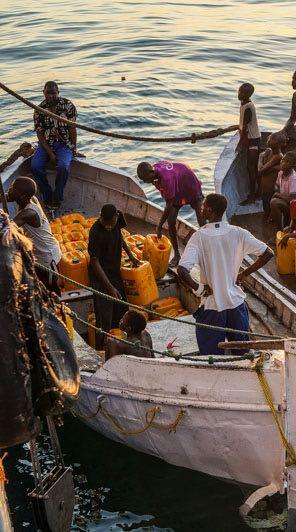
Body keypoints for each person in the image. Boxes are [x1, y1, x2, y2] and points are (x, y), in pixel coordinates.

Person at [177, 193, 275, 356]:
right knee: (242, 353)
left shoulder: (199, 237)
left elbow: (182, 270)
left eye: (203, 207)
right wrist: (244, 274)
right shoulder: (238, 232)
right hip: (236, 303)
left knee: (211, 355)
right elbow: (268, 253)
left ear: (210, 210)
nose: (200, 209)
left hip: (213, 306)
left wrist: (199, 288)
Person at [136, 160, 206, 266]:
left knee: (202, 220)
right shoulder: (155, 171)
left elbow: (169, 205)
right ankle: (177, 255)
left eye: (145, 179)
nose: (145, 182)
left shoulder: (166, 179)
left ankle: (207, 250)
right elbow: (168, 197)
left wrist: (159, 226)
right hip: (177, 189)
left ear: (151, 172)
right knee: (171, 221)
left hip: (190, 185)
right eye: (142, 180)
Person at [88, 204, 139, 347]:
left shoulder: (118, 218)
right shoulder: (95, 232)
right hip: (100, 278)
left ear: (117, 217)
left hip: (115, 272)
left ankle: (123, 345)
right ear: (100, 218)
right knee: (104, 318)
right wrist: (109, 287)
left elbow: (120, 237)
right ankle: (101, 349)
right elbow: (94, 261)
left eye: (111, 224)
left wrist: (130, 255)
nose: (109, 227)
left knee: (122, 311)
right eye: (106, 224)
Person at [7, 177, 62, 293]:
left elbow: (8, 230)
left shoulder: (28, 213)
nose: (9, 190)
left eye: (12, 189)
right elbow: (7, 196)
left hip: (47, 257)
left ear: (21, 196)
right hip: (37, 254)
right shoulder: (29, 198)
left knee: (50, 290)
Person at [31, 81, 78, 208]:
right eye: (48, 93)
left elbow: (72, 129)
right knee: (35, 166)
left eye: (53, 93)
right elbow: (40, 134)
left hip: (64, 144)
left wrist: (74, 148)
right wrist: (50, 154)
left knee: (63, 166)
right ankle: (47, 195)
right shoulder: (39, 110)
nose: (50, 96)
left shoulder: (68, 106)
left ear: (58, 93)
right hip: (46, 144)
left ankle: (57, 197)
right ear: (43, 93)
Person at [238, 82, 261, 205]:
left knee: (251, 168)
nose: (239, 94)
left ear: (248, 94)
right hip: (252, 139)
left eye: (242, 92)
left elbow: (246, 128)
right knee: (251, 168)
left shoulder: (248, 106)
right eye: (239, 91)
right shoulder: (244, 104)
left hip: (253, 140)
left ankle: (253, 196)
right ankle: (256, 193)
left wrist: (241, 144)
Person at [268, 151, 296, 227]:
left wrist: (277, 195)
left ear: (292, 165)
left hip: (293, 206)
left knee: (274, 202)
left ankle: (280, 228)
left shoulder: (294, 179)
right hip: (284, 200)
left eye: (287, 162)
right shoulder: (281, 172)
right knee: (271, 195)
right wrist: (277, 192)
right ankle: (273, 217)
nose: (283, 163)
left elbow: (293, 199)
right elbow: (277, 186)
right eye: (283, 160)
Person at [258, 131, 287, 215]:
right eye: (270, 138)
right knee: (265, 208)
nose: (269, 141)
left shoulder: (278, 156)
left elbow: (260, 171)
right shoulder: (269, 151)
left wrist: (260, 157)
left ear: (279, 144)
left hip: (271, 189)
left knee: (269, 209)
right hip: (264, 188)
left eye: (272, 139)